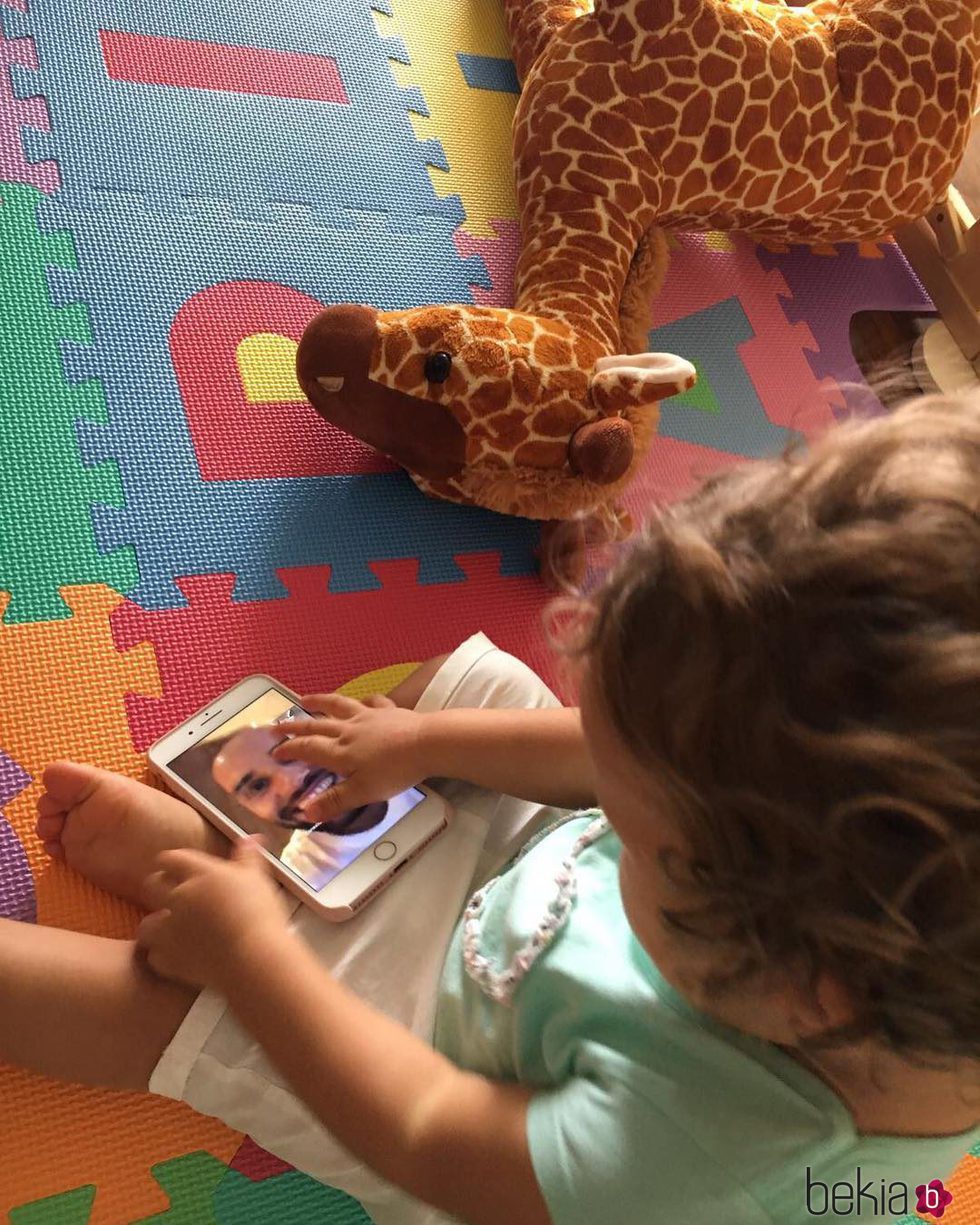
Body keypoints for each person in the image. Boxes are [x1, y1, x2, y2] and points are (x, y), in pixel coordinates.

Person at [8, 391, 980, 1224]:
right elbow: (606, 763)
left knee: (182, 1019)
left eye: (645, 840)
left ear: (795, 981)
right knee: (478, 687)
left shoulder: (706, 1152)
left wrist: (255, 963)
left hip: (462, 1085)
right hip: (556, 901)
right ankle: (265, 877)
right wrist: (421, 744)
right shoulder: (816, 876)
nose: (605, 770)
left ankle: (248, 913)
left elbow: (423, 1128)